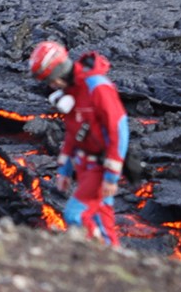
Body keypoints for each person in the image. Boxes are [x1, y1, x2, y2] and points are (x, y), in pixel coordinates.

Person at [29, 40, 129, 247]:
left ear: (59, 71)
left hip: (100, 168)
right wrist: (65, 171)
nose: (51, 85)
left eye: (50, 79)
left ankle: (98, 257)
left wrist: (111, 176)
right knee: (102, 217)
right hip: (85, 166)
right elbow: (73, 133)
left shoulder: (97, 87)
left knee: (75, 214)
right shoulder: (72, 92)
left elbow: (119, 130)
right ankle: (113, 260)